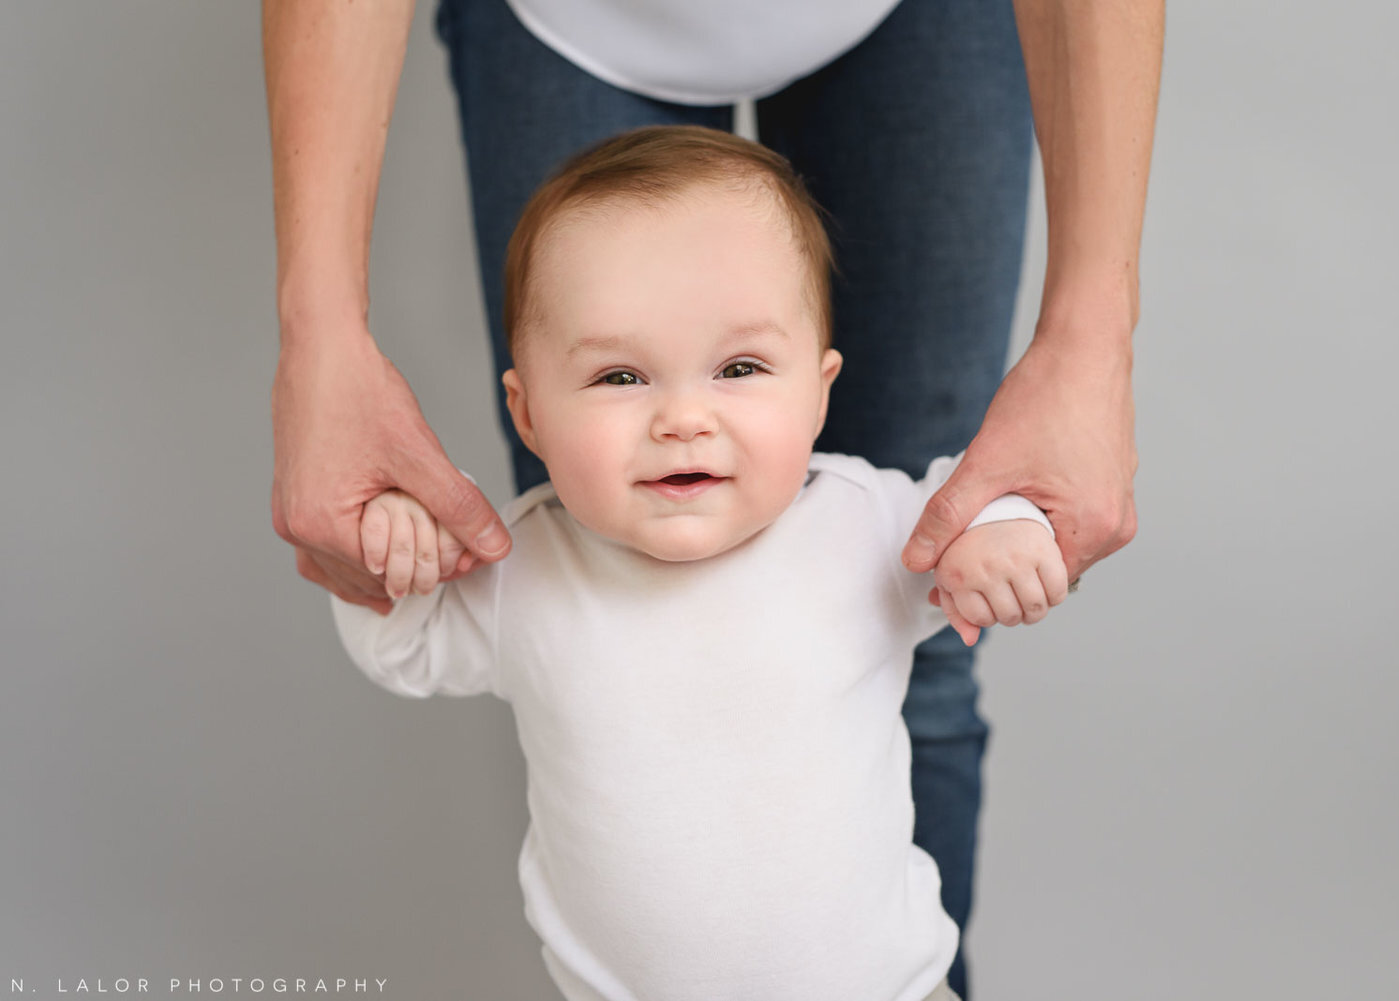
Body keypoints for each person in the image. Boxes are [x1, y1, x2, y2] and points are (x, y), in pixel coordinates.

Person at [263, 0, 1161, 992]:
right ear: (526, 416)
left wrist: (1006, 538)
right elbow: (405, 638)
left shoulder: (866, 522)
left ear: (822, 386)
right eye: (620, 378)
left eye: (738, 367)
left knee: (937, 689)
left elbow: (976, 506)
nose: (683, 418)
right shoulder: (522, 564)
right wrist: (392, 550)